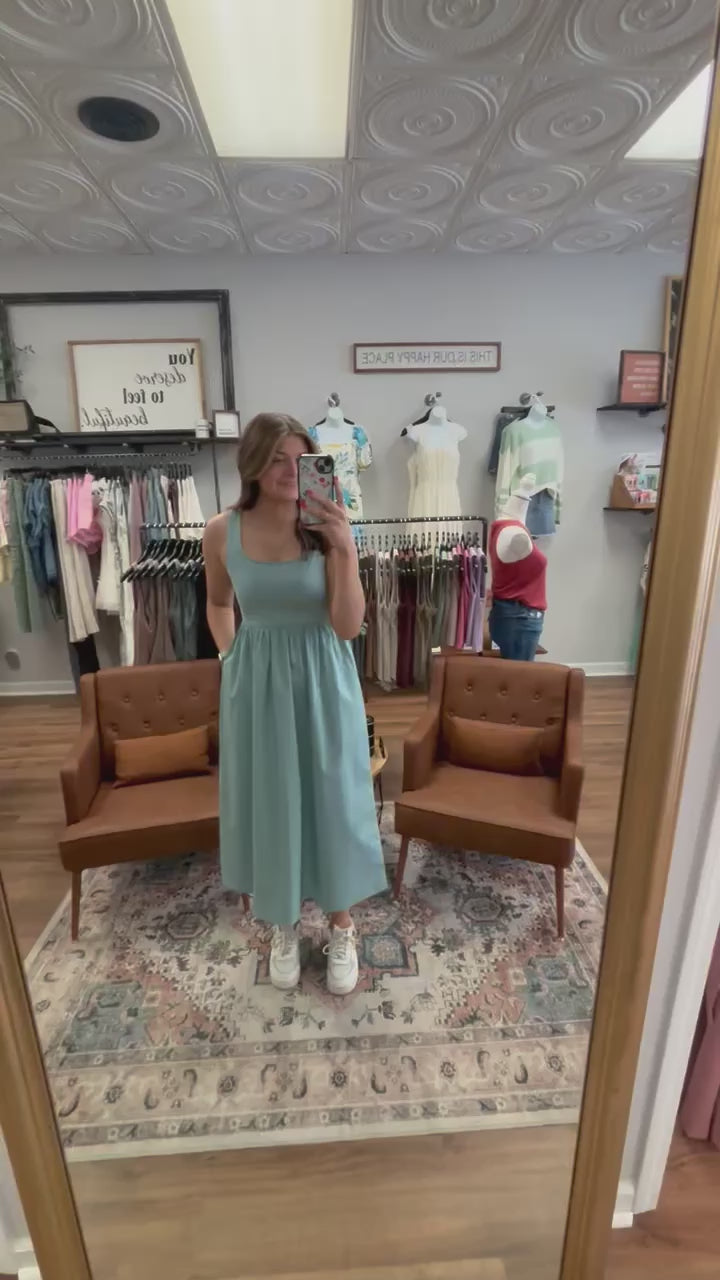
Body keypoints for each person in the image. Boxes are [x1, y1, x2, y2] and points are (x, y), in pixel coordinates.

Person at [203, 412, 387, 995]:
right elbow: (217, 604)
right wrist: (232, 657)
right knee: (271, 797)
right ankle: (282, 922)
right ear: (252, 463)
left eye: (301, 459)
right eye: (277, 458)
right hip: (256, 684)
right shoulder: (221, 531)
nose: (289, 471)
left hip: (325, 676)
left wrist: (345, 548)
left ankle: (342, 925)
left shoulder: (327, 527)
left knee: (333, 797)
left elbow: (348, 626)